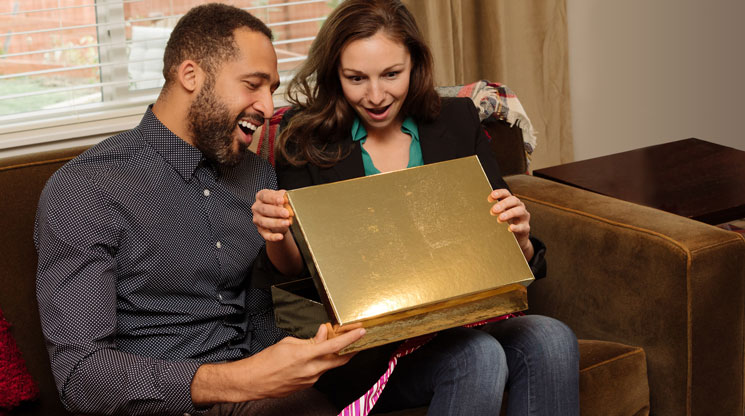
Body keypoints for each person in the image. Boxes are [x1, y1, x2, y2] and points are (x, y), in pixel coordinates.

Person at [251, 0, 580, 415]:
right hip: (368, 348)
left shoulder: (458, 121)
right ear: (336, 74)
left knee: (551, 338)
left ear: (415, 64)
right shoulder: (305, 141)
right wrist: (277, 232)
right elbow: (296, 275)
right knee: (476, 354)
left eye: (392, 74)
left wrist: (521, 239)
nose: (375, 96)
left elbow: (509, 255)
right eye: (356, 78)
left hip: (460, 318)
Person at [34, 4, 365, 415]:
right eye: (253, 84)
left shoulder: (257, 176)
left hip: (272, 398)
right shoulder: (86, 188)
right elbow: (81, 375)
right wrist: (241, 379)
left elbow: (268, 310)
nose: (267, 107)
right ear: (190, 75)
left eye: (272, 89)